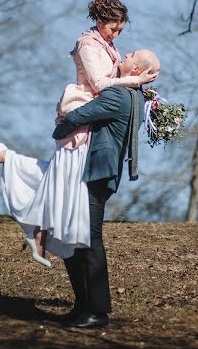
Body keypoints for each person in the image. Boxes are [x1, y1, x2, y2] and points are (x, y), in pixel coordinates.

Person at [0, 0, 159, 266]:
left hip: (93, 116)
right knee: (63, 178)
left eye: (120, 30)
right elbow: (99, 83)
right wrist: (136, 80)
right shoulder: (88, 44)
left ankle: (36, 227)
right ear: (99, 21)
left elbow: (118, 80)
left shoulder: (108, 46)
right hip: (83, 108)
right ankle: (38, 229)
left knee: (61, 179)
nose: (117, 35)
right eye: (113, 28)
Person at [51, 50, 159, 328]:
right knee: (77, 238)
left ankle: (97, 312)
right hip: (100, 173)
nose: (125, 53)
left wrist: (60, 129)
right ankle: (82, 306)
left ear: (135, 70)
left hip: (97, 173)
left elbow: (78, 115)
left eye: (131, 55)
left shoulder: (118, 96)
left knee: (89, 238)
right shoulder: (133, 97)